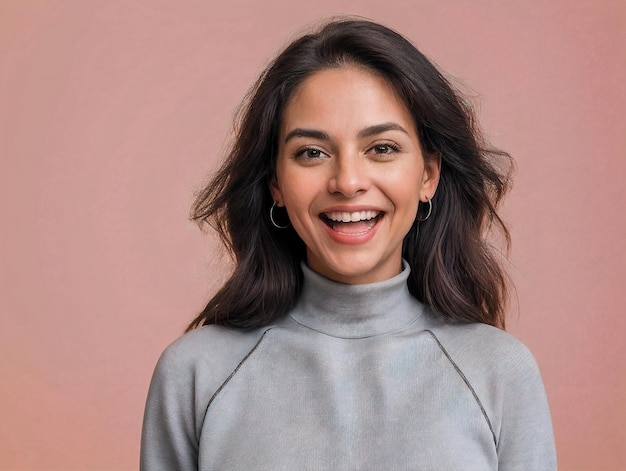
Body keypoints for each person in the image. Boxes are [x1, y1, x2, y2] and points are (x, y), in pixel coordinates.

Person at [141, 18, 556, 470]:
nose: (348, 182)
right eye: (312, 153)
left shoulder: (499, 373)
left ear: (427, 175)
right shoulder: (196, 375)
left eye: (381, 148)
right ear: (275, 182)